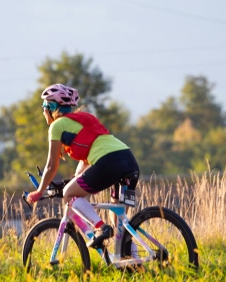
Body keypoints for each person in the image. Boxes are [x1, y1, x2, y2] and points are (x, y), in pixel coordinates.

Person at [26, 83, 140, 249]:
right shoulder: (85, 119)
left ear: (52, 107)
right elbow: (85, 163)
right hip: (128, 160)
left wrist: (39, 191)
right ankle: (132, 260)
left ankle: (101, 228)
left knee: (69, 195)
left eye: (44, 106)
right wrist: (72, 181)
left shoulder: (57, 126)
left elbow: (51, 165)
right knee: (118, 221)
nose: (43, 111)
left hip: (108, 161)